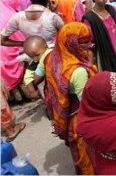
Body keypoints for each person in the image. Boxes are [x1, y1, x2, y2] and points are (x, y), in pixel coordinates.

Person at [42, 22, 96, 174]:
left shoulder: (53, 58)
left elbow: (50, 91)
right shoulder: (78, 71)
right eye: (84, 42)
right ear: (72, 43)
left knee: (78, 156)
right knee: (89, 158)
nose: (89, 46)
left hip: (65, 117)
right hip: (80, 120)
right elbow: (89, 103)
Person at [0, 0, 30, 94]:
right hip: (17, 43)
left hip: (7, 48)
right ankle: (29, 92)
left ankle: (19, 95)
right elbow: (25, 0)